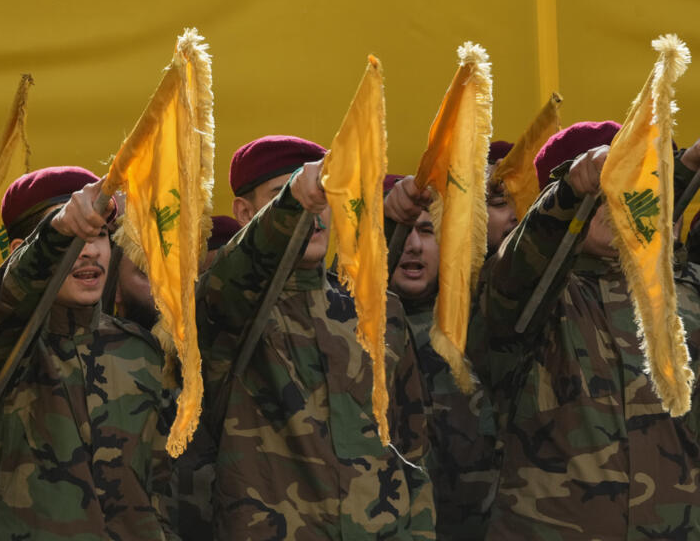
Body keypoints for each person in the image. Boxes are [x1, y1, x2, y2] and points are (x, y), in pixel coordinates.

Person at [198, 135, 434, 540]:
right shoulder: (231, 311)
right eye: (283, 194)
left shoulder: (380, 314)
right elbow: (231, 278)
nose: (314, 212)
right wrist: (293, 202)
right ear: (244, 212)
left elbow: (413, 453)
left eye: (324, 196)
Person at [484, 121, 700, 539]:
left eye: (629, 184)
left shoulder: (684, 296)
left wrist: (685, 168)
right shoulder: (532, 298)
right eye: (599, 189)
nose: (615, 200)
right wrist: (569, 193)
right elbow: (520, 269)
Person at [0, 166, 178, 540]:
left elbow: (161, 485)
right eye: (74, 238)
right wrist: (58, 232)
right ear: (21, 252)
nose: (90, 252)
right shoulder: (5, 344)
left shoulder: (140, 351)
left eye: (99, 235)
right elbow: (3, 304)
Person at [385, 165, 500, 540]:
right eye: (401, 230)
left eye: (427, 230)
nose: (413, 245)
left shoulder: (481, 325)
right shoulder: (346, 327)